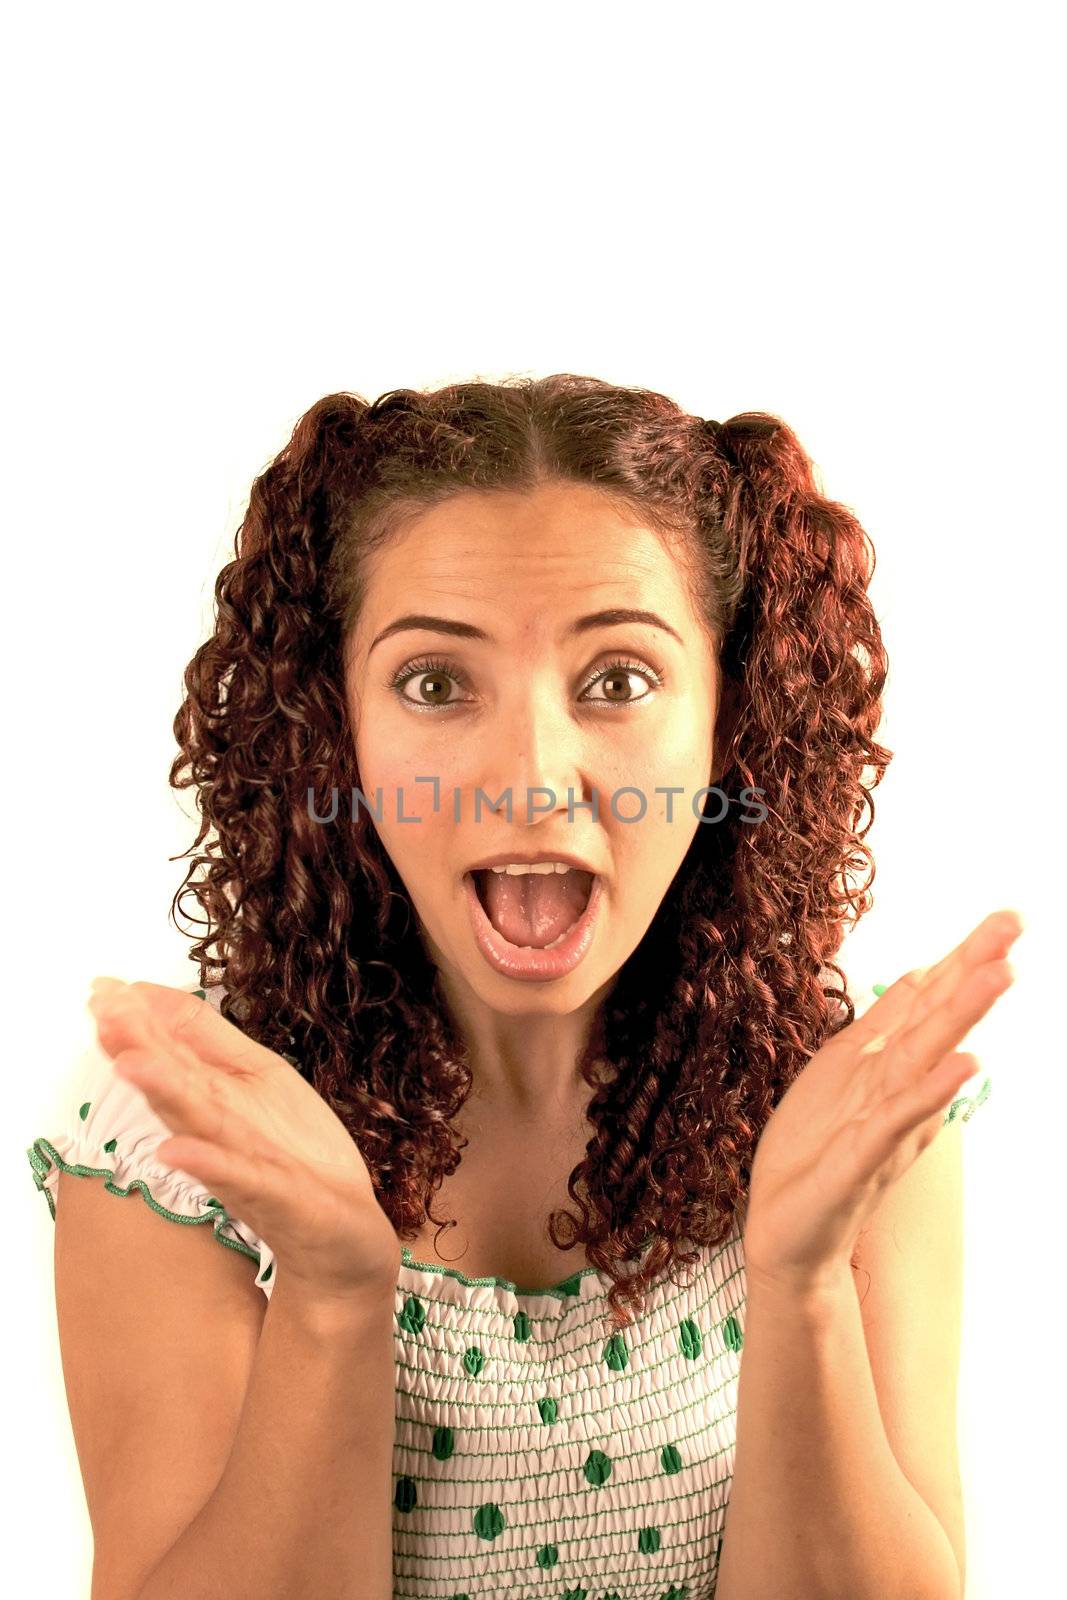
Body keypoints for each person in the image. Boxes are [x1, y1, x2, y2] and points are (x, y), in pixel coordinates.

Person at [26, 375, 1016, 1600]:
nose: (531, 777)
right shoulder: (182, 1126)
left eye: (617, 679)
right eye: (436, 683)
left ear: (730, 720)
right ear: (334, 727)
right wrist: (335, 1297)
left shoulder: (857, 1100)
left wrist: (801, 1280)